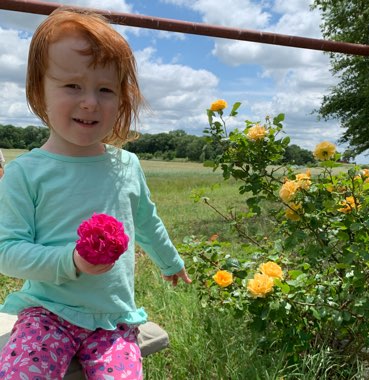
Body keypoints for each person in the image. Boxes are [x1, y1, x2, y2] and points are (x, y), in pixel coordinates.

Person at [0, 8, 191, 379]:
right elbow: (7, 252)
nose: (90, 101)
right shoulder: (27, 171)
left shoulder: (127, 166)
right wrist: (71, 261)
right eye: (73, 86)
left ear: (122, 99)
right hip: (46, 312)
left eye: (105, 89)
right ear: (39, 90)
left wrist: (170, 261)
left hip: (113, 318)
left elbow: (147, 220)